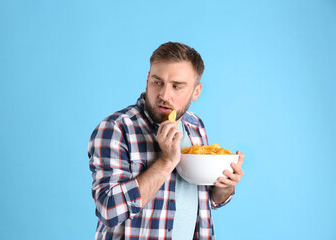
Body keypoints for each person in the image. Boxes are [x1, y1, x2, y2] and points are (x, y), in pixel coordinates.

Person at [88, 42, 245, 240]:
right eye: (157, 82)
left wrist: (225, 187)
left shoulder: (195, 126)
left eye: (176, 86)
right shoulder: (117, 128)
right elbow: (109, 211)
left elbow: (206, 201)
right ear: (147, 80)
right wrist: (166, 162)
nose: (164, 95)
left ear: (196, 92)